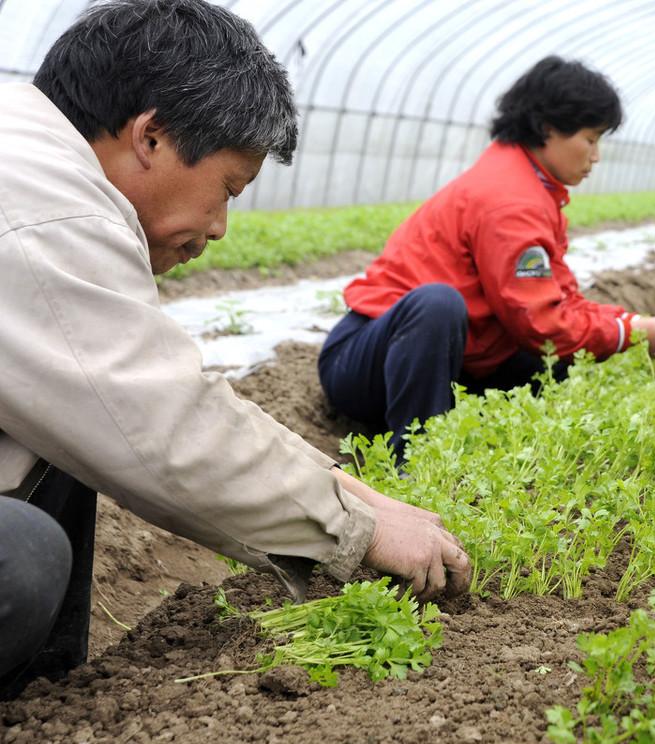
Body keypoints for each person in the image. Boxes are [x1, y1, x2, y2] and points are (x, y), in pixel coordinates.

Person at [0, 0, 470, 700]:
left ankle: (42, 697)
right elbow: (160, 427)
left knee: (63, 440)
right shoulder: (48, 213)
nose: (221, 227)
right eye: (226, 189)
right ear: (150, 136)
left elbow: (135, 394)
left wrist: (352, 492)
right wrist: (361, 528)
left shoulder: (29, 148)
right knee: (18, 558)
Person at [318, 56, 655, 463]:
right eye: (590, 139)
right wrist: (635, 334)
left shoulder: (530, 186)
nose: (596, 156)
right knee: (439, 305)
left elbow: (558, 299)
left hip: (436, 355)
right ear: (548, 128)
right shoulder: (510, 201)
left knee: (555, 367)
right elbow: (541, 323)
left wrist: (631, 325)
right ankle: (413, 464)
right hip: (363, 363)